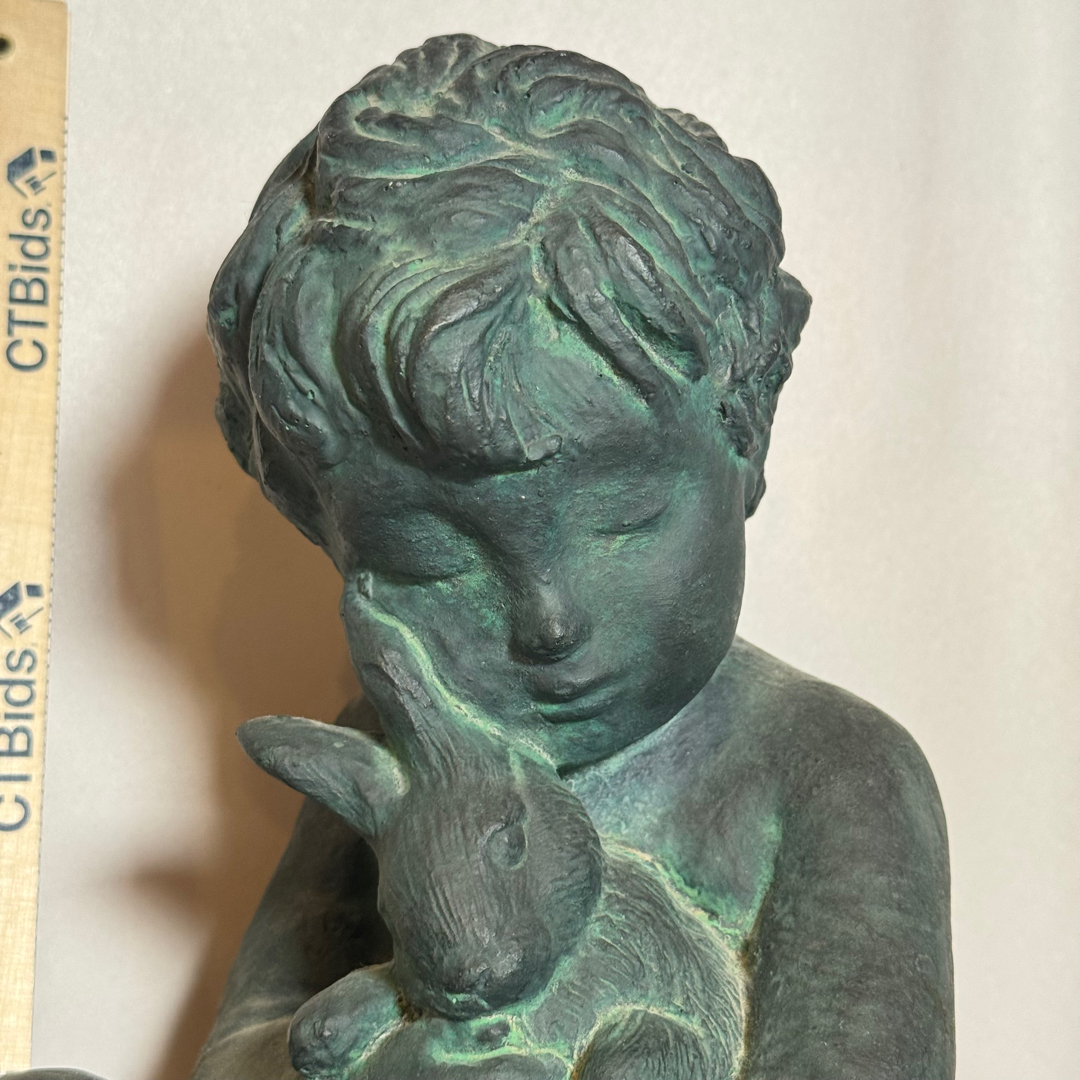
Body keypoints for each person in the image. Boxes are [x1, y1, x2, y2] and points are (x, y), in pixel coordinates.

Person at [192, 33, 953, 1079]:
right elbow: (241, 1049)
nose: (548, 621)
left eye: (624, 520)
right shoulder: (391, 758)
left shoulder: (829, 772)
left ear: (747, 439)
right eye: (428, 561)